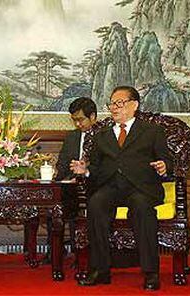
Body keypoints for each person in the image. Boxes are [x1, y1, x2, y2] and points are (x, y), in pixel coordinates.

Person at [71, 86, 173, 291]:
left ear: (134, 105)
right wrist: (86, 171)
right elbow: (97, 169)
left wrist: (164, 166)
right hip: (111, 186)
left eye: (119, 103)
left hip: (141, 187)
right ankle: (101, 270)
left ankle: (151, 272)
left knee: (142, 208)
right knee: (96, 204)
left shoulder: (152, 131)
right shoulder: (102, 135)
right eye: (111, 104)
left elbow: (167, 160)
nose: (114, 108)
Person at [44, 97, 97, 264]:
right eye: (74, 120)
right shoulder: (72, 137)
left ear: (93, 116)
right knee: (52, 201)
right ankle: (54, 251)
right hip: (71, 184)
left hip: (95, 184)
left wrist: (85, 170)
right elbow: (63, 164)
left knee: (79, 205)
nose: (78, 124)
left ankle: (79, 251)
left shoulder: (105, 135)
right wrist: (56, 182)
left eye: (81, 120)